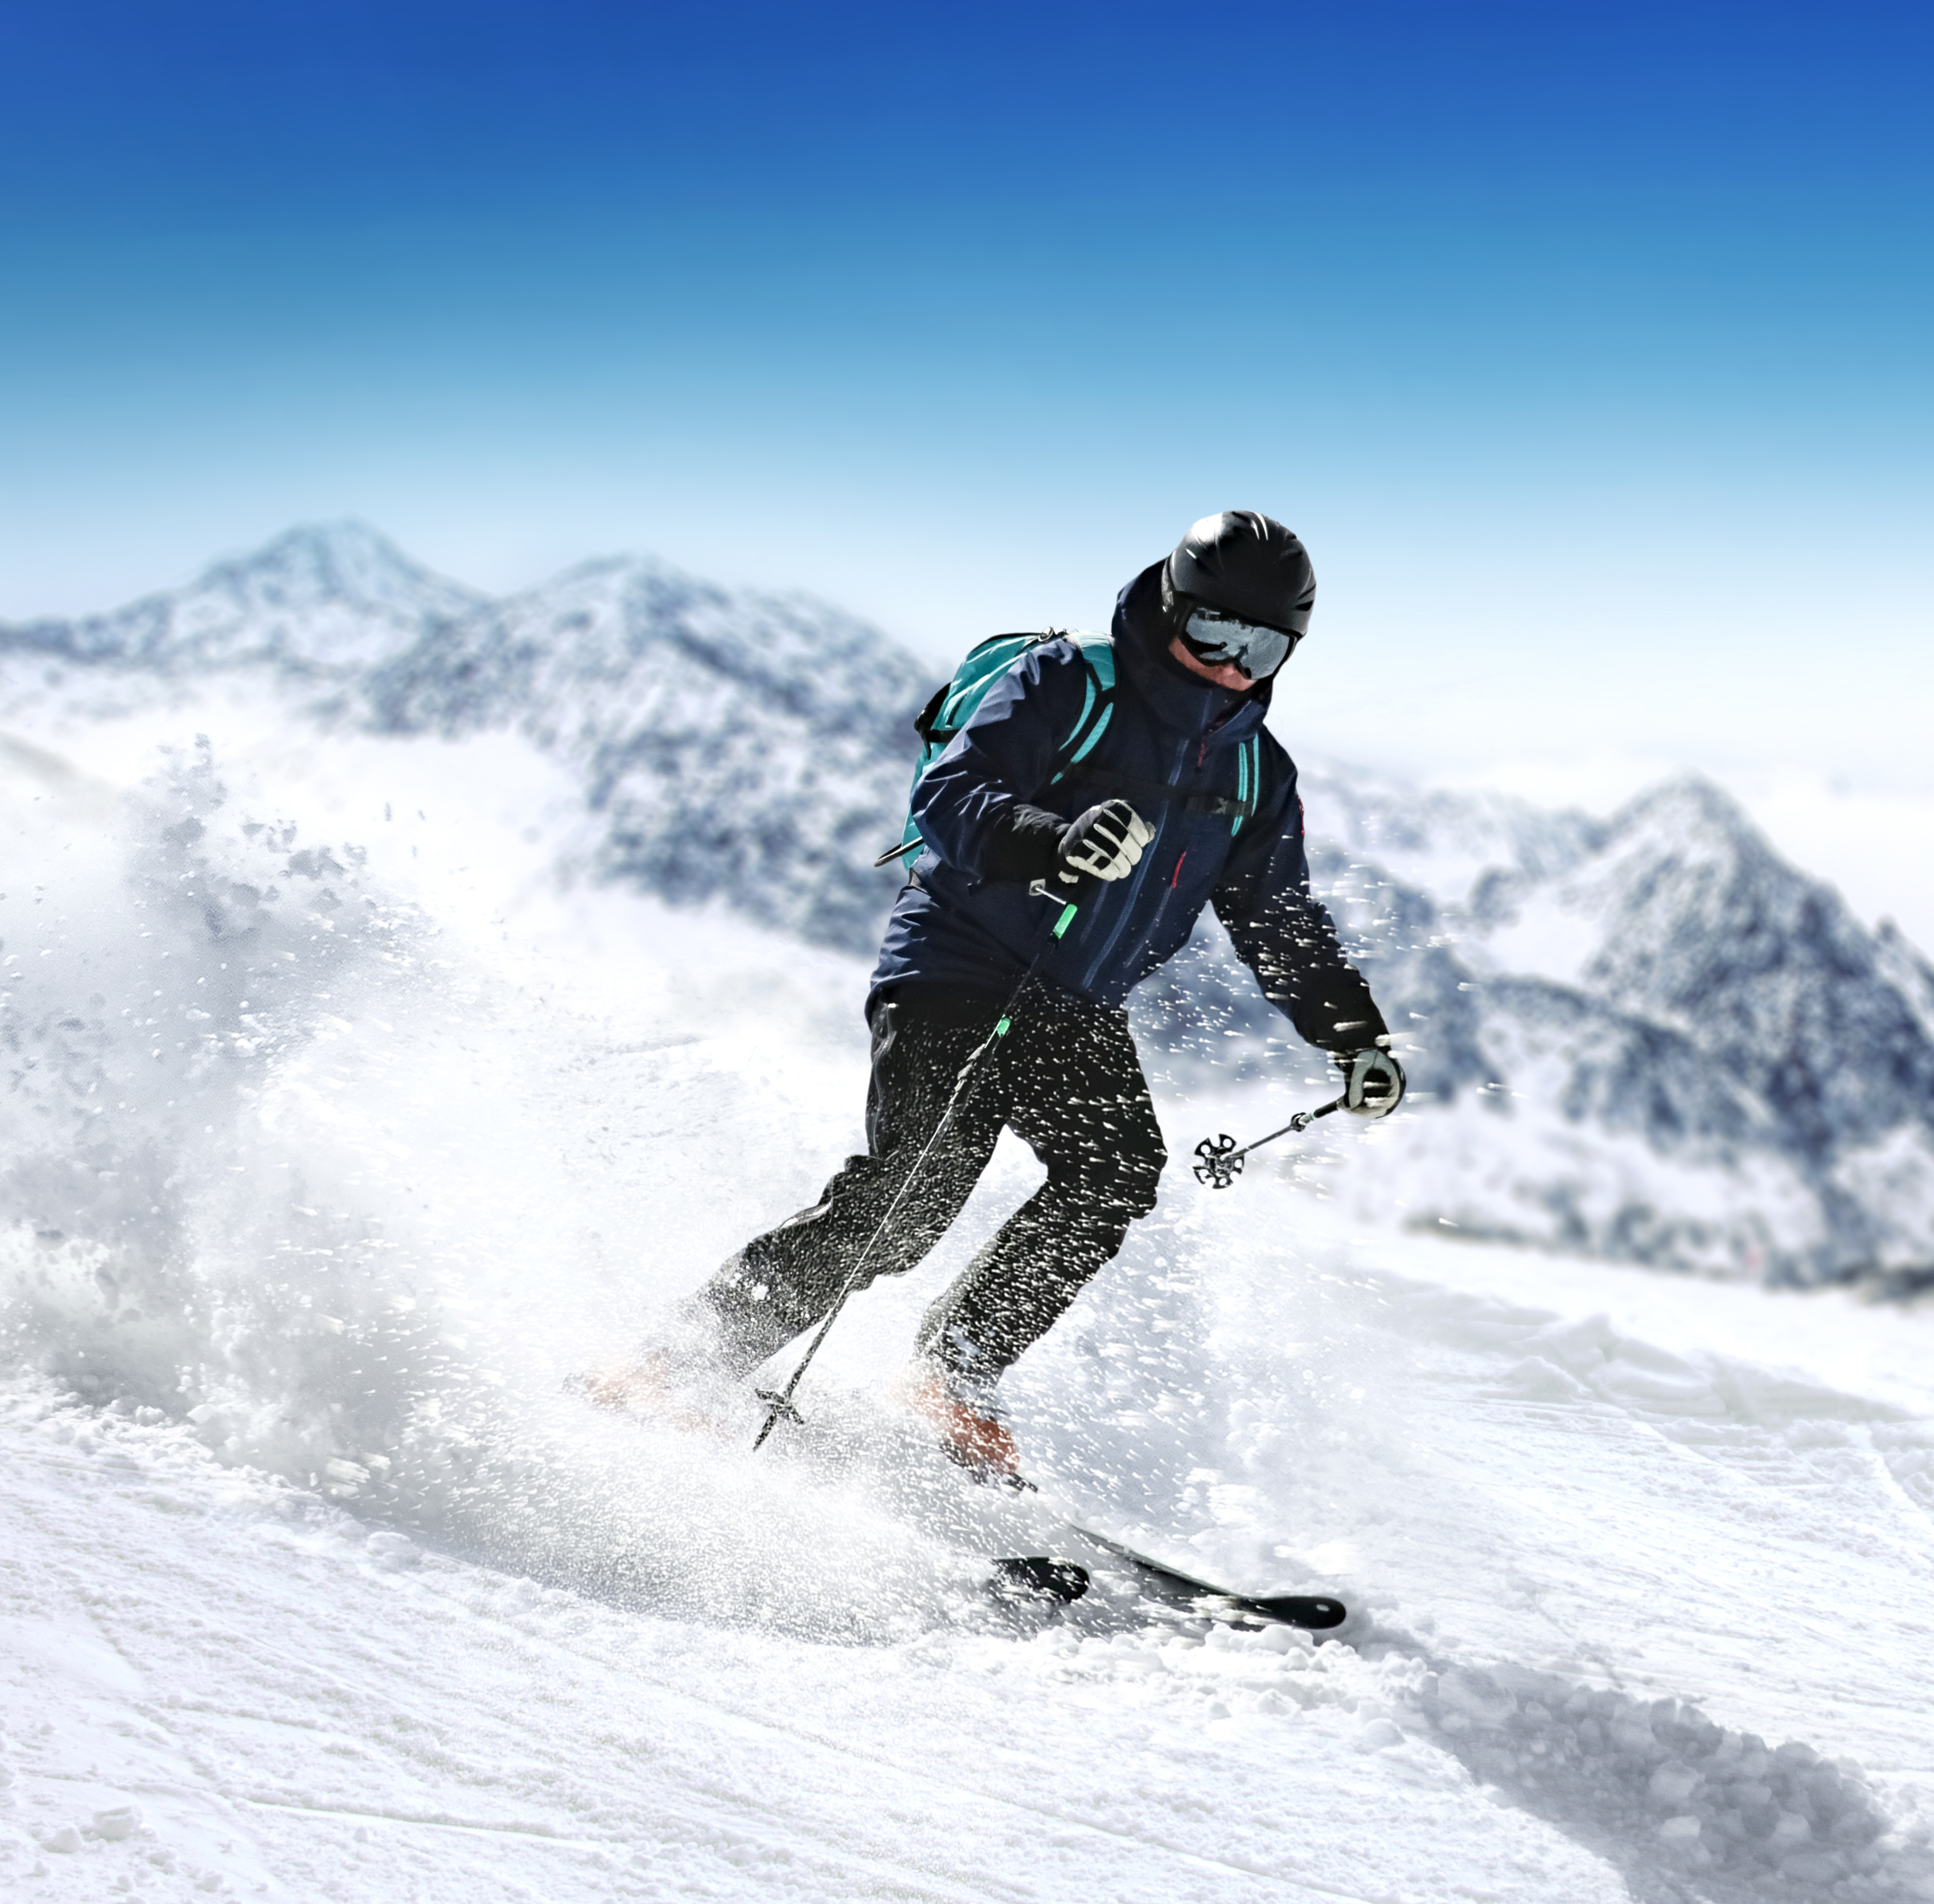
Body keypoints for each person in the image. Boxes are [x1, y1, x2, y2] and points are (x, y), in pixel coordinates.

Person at [599, 510, 1403, 1478]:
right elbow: (951, 792)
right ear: (1171, 606)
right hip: (957, 960)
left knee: (1114, 1173)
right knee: (913, 1192)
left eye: (1261, 648)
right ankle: (675, 1363)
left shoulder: (1254, 770)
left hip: (1075, 1001)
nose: (1232, 666)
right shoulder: (1070, 682)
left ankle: (950, 1375)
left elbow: (1276, 918)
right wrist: (1050, 841)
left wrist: (1355, 1037)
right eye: (1213, 633)